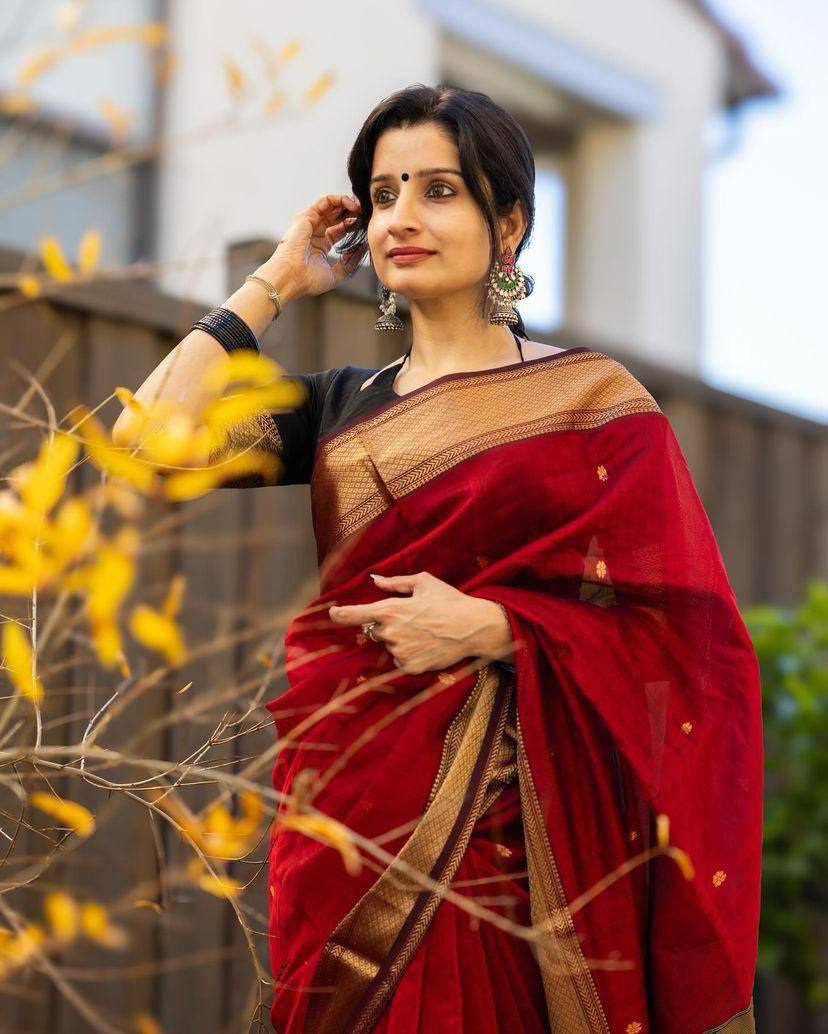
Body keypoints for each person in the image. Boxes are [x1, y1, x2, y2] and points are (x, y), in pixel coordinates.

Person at [113, 84, 763, 1034]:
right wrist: (278, 280)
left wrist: (502, 628)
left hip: (523, 846)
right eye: (382, 195)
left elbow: (685, 635)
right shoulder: (340, 408)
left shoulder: (592, 403)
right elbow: (148, 446)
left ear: (510, 224)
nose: (400, 219)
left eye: (439, 191)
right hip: (352, 818)